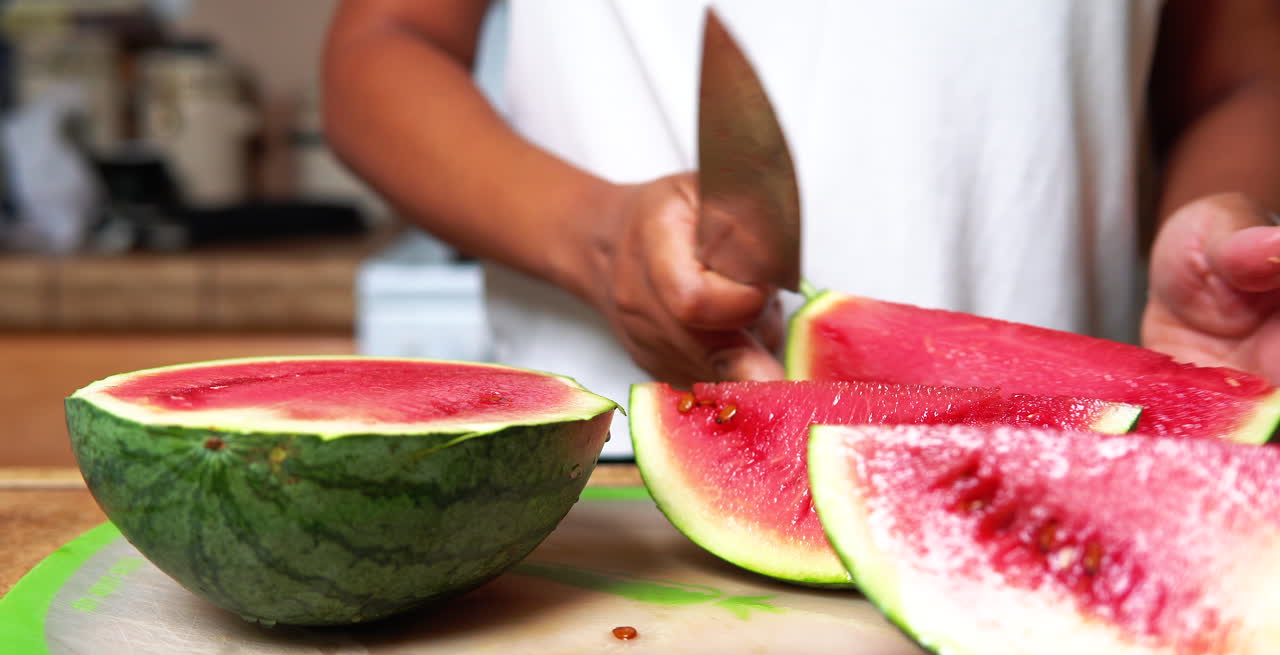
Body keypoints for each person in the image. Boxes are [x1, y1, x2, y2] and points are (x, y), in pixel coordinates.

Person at [322, 0, 1280, 459]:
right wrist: (595, 236)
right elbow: (379, 46)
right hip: (611, 476)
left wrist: (1214, 222)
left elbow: (1240, 74)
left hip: (1083, 454)